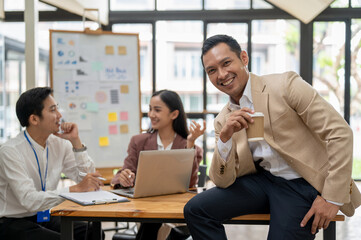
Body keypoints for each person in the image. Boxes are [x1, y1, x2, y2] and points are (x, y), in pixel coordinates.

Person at [183, 34, 361, 240]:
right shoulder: (224, 119)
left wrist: (331, 199)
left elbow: (340, 133)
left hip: (301, 183)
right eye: (212, 71)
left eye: (226, 63)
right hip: (262, 181)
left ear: (244, 58)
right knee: (196, 210)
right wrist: (225, 138)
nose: (221, 75)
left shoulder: (286, 85)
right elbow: (222, 181)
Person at [0, 87, 105, 240]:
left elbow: (87, 179)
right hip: (12, 220)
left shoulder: (59, 143)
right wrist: (75, 190)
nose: (60, 115)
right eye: (53, 110)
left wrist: (76, 142)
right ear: (34, 119)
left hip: (43, 214)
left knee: (92, 233)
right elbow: (29, 200)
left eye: (57, 108)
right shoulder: (10, 151)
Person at [111, 89, 206, 240]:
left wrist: (190, 143)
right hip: (146, 208)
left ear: (174, 114)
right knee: (153, 223)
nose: (151, 114)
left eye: (157, 110)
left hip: (175, 210)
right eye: (149, 109)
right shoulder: (138, 141)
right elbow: (122, 174)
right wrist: (123, 178)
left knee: (158, 226)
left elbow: (190, 183)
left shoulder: (189, 146)